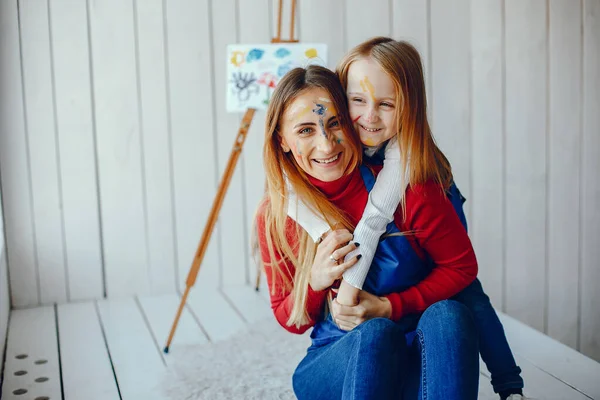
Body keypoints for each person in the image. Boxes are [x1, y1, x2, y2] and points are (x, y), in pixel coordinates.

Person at [287, 37, 527, 400]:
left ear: (408, 109)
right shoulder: (308, 179)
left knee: (463, 301)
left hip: (426, 280)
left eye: (386, 104)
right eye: (357, 101)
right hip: (349, 348)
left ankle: (510, 385)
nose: (369, 117)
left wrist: (383, 305)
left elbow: (455, 265)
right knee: (380, 334)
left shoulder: (410, 178)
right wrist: (320, 281)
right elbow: (292, 314)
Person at [256, 64, 480, 399]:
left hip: (414, 351)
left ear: (352, 122)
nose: (327, 145)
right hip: (334, 359)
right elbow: (292, 321)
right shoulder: (276, 215)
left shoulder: (408, 190)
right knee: (375, 334)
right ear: (282, 140)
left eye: (335, 124)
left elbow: (462, 266)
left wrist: (390, 306)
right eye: (305, 130)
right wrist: (315, 281)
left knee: (450, 316)